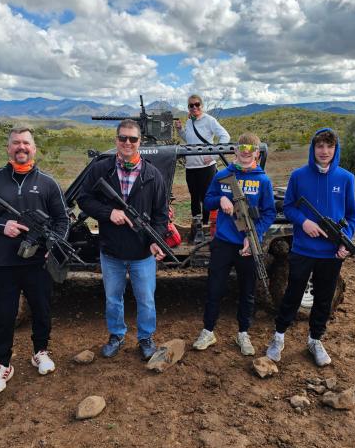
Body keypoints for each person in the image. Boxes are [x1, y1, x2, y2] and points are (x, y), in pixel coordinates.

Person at [0, 127, 69, 394]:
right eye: (16, 143)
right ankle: (2, 365)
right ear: (8, 148)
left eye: (26, 143)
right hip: (3, 264)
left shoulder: (48, 183)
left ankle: (40, 352)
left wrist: (52, 245)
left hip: (37, 264)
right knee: (3, 316)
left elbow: (62, 220)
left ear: (34, 148)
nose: (21, 147)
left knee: (42, 310)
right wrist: (3, 225)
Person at [266, 128, 355, 367]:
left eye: (329, 146)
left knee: (324, 299)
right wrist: (304, 222)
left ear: (335, 149)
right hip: (303, 250)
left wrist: (345, 241)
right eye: (320, 146)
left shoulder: (346, 178)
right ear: (313, 149)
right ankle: (278, 337)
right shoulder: (298, 176)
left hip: (331, 253)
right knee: (292, 295)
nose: (324, 151)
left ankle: (315, 340)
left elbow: (352, 217)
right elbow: (288, 207)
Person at [77, 119, 168, 361]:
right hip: (111, 252)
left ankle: (146, 338)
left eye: (133, 139)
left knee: (146, 300)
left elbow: (160, 215)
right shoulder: (101, 169)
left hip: (142, 253)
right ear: (116, 140)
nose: (128, 143)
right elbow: (84, 199)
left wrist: (155, 240)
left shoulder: (153, 175)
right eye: (123, 138)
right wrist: (110, 213)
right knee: (112, 298)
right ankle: (116, 335)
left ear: (140, 142)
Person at [193, 133, 276, 354]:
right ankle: (208, 331)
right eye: (242, 147)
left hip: (248, 245)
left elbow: (269, 213)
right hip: (223, 243)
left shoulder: (263, 180)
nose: (246, 151)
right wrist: (220, 200)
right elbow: (207, 200)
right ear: (235, 151)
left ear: (257, 152)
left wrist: (254, 235)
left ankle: (243, 334)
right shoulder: (222, 175)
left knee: (247, 291)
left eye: (251, 148)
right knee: (214, 289)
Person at [175, 94, 230, 229]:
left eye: (197, 104)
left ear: (202, 105)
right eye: (191, 105)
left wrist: (214, 156)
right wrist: (180, 130)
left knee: (207, 197)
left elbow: (225, 136)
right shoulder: (189, 121)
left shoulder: (209, 120)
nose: (194, 107)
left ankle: (206, 225)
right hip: (191, 166)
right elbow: (190, 140)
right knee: (194, 197)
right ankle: (196, 225)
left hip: (207, 166)